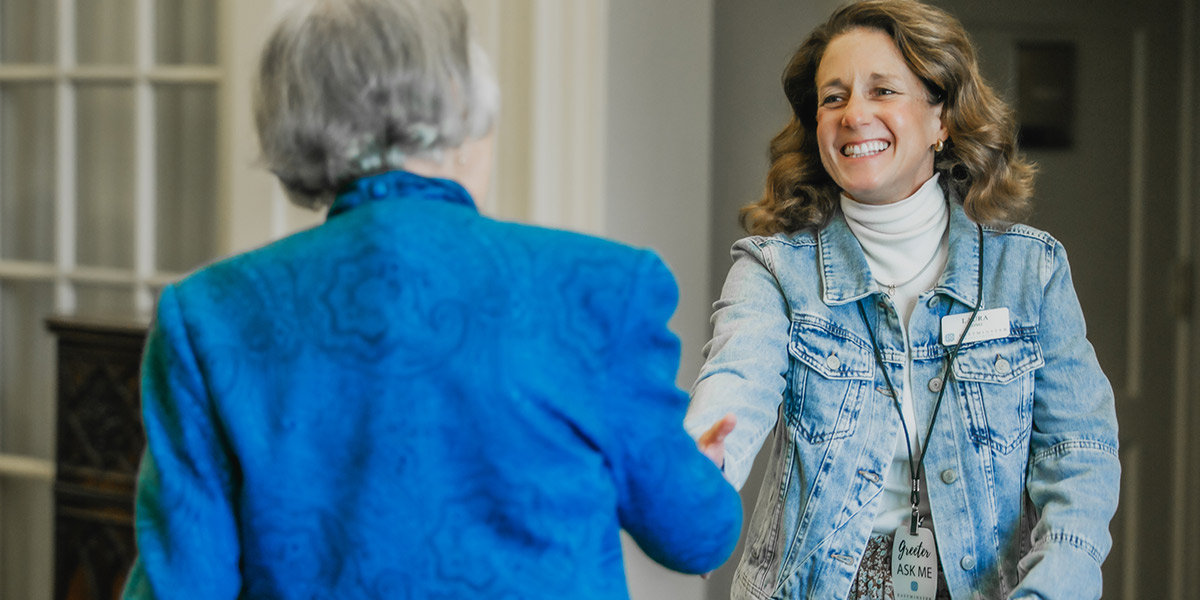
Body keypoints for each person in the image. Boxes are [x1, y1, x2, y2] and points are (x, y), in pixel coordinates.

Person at [120, 0, 742, 597]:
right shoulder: (601, 287)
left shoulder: (207, 316)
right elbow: (695, 536)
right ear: (460, 107)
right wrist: (695, 471)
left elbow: (180, 585)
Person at [686, 1, 1120, 599]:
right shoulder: (775, 271)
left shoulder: (1030, 271)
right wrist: (692, 474)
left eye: (883, 90)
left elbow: (1081, 457)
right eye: (832, 98)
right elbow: (734, 387)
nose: (854, 114)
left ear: (941, 117)